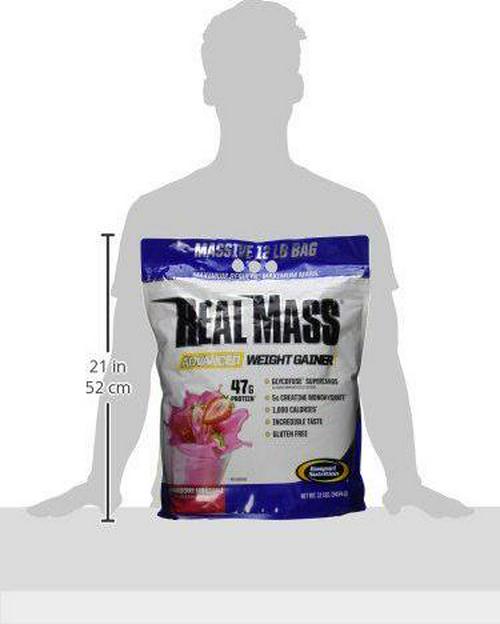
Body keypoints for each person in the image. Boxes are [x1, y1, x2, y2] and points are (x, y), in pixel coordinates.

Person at [30, 0, 470, 518]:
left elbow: (379, 365)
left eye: (269, 74)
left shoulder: (349, 215)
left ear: (295, 87)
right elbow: (126, 363)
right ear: (211, 89)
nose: (256, 92)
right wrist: (100, 481)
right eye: (242, 75)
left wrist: (406, 480)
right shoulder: (157, 216)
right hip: (197, 508)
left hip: (322, 516)